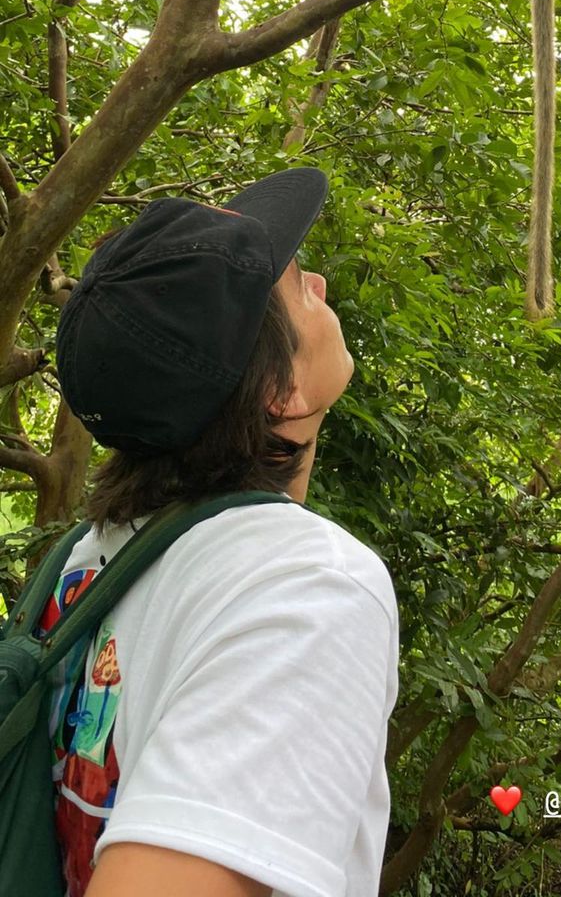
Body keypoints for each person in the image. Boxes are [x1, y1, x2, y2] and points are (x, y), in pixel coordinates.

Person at [40, 167, 399, 897]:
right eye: (300, 288)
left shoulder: (90, 559)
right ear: (280, 392)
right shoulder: (305, 588)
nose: (322, 286)